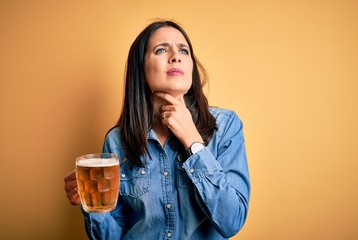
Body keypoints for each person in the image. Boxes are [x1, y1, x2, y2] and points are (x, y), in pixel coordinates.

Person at [64, 20, 250, 240]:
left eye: (184, 50)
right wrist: (93, 207)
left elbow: (232, 221)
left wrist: (194, 143)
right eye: (161, 50)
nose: (176, 56)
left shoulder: (226, 126)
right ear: (140, 69)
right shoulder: (117, 141)